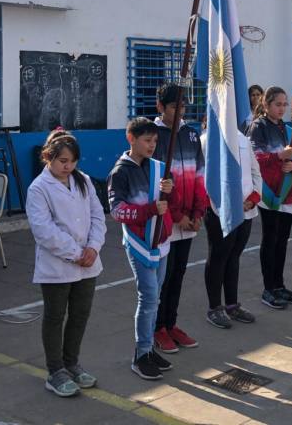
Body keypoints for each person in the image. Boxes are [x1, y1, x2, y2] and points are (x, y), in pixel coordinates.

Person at [26, 130, 106, 397]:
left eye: (72, 161)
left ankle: (72, 363)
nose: (67, 166)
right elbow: (43, 230)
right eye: (62, 161)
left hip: (88, 262)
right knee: (55, 316)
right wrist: (76, 253)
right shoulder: (39, 188)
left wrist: (93, 247)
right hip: (57, 266)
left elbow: (98, 216)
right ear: (47, 157)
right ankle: (55, 371)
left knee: (80, 314)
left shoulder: (83, 180)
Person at [108, 117, 179, 380]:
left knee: (155, 297)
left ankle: (148, 349)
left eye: (155, 141)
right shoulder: (120, 172)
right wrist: (149, 210)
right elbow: (117, 211)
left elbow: (172, 203)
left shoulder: (159, 168)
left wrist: (170, 190)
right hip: (139, 243)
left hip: (160, 242)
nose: (152, 145)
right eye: (147, 140)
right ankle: (141, 354)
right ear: (131, 139)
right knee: (148, 297)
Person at [152, 83, 207, 353]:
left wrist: (198, 212)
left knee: (179, 274)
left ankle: (171, 323)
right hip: (166, 222)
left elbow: (199, 176)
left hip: (189, 220)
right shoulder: (153, 136)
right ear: (160, 106)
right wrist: (176, 216)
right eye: (174, 106)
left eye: (183, 106)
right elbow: (155, 182)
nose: (180, 111)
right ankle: (157, 327)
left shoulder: (191, 134)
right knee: (164, 276)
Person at [248, 86, 292, 309]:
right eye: (277, 104)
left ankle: (279, 285)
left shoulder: (289, 128)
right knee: (270, 239)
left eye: (284, 104)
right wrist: (279, 156)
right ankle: (268, 288)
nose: (282, 108)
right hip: (269, 191)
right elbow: (255, 157)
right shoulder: (258, 127)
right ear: (266, 104)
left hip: (288, 190)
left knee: (283, 240)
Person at [202, 128, 262, 328]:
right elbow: (204, 178)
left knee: (234, 256)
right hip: (219, 211)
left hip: (246, 209)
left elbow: (255, 172)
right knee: (218, 257)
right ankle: (214, 307)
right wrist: (225, 204)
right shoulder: (207, 140)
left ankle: (231, 305)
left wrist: (253, 199)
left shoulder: (242, 138)